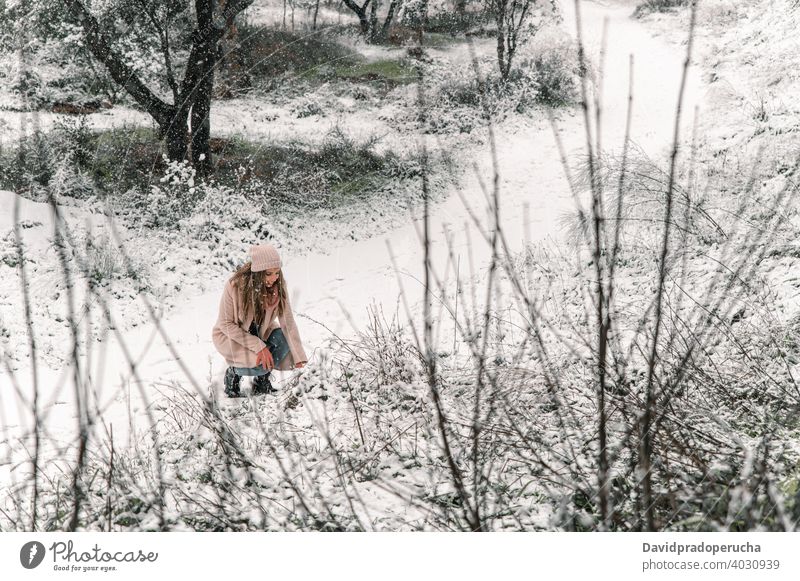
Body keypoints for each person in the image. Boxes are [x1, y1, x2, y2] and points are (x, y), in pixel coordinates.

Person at [212, 244, 307, 397]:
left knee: (283, 340)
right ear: (257, 273)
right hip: (232, 337)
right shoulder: (234, 286)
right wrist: (259, 346)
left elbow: (287, 322)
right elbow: (225, 324)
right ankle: (234, 373)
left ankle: (261, 382)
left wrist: (300, 357)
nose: (274, 278)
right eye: (268, 273)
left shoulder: (279, 287)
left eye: (277, 272)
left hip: (261, 333)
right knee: (261, 365)